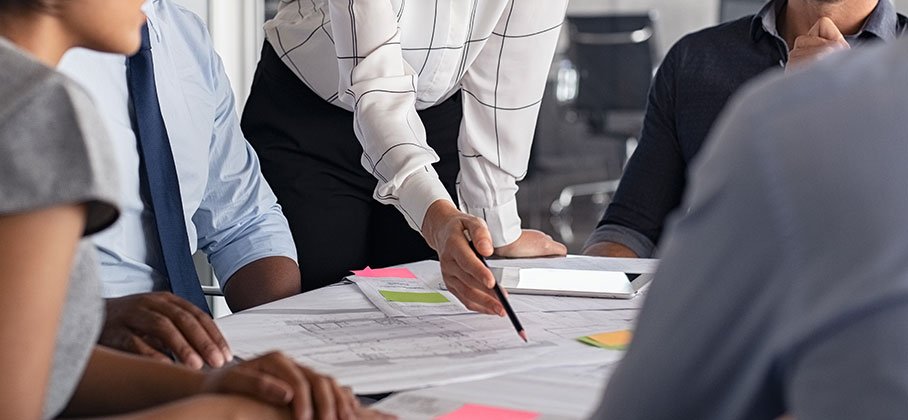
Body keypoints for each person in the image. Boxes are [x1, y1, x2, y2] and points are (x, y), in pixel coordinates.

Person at [0, 1, 390, 419]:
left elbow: (244, 218)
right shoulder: (38, 108)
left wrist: (239, 371)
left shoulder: (181, 34)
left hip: (142, 364)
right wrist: (235, 410)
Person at [592, 35, 908, 419]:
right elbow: (629, 226)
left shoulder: (777, 117)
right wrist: (588, 296)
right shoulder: (696, 61)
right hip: (664, 350)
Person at [241, 1, 568, 315]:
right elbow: (375, 86)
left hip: (433, 119)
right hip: (308, 120)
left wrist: (494, 225)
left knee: (430, 316)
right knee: (315, 310)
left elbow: (506, 73)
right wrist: (436, 218)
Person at [58, 0, 301, 370]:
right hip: (72, 351)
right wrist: (85, 320)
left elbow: (244, 220)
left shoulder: (185, 34)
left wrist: (289, 340)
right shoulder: (30, 62)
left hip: (196, 352)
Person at [583, 0, 906, 259]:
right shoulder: (694, 61)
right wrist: (580, 288)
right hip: (721, 318)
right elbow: (630, 230)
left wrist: (835, 104)